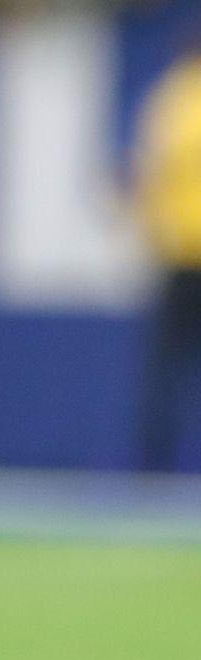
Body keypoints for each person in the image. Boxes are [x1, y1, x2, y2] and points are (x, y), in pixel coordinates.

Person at [134, 38, 201, 471]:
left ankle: (154, 474)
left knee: (165, 371)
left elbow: (146, 175)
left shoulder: (171, 99)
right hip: (178, 257)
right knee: (165, 371)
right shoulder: (172, 98)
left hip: (178, 254)